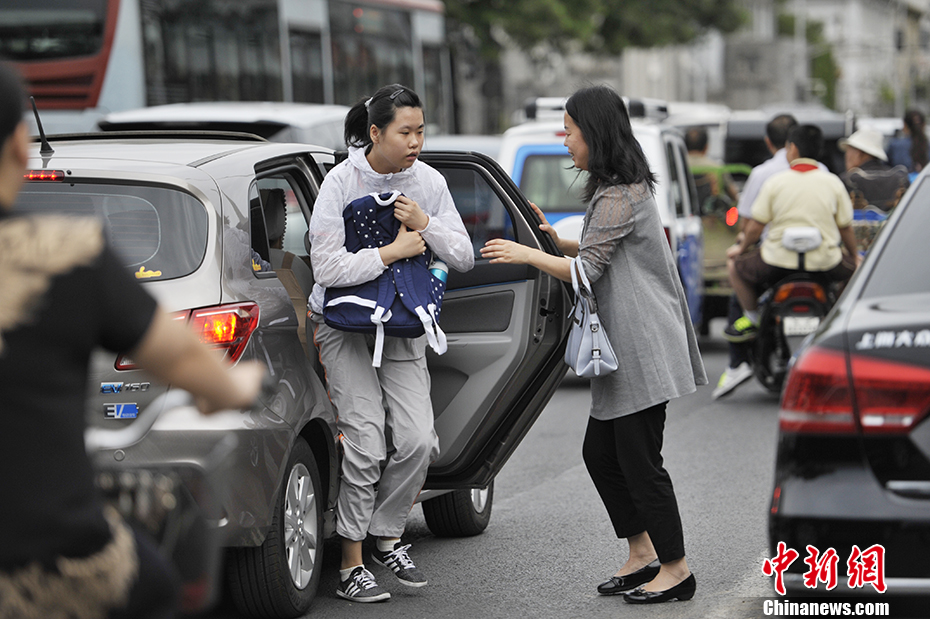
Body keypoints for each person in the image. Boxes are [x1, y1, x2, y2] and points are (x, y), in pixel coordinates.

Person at [0, 62, 266, 619]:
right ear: (20, 146)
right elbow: (182, 357)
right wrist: (232, 385)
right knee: (161, 586)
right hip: (48, 559)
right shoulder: (65, 255)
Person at [481, 85, 706, 605]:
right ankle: (642, 551)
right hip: (627, 345)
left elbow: (586, 271)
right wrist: (553, 238)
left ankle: (676, 568)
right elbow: (601, 246)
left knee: (640, 462)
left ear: (594, 133)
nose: (564, 141)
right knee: (601, 453)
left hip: (644, 346)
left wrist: (527, 254)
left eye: (569, 131)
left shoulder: (620, 193)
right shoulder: (617, 191)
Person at [308, 83, 474, 603]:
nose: (416, 141)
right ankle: (352, 562)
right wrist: (391, 251)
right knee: (365, 443)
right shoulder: (340, 181)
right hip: (343, 327)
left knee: (420, 439)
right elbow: (326, 266)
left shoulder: (428, 182)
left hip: (401, 326)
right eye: (406, 131)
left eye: (421, 130)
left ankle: (387, 535)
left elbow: (464, 255)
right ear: (375, 133)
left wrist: (425, 224)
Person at [724, 124, 859, 343]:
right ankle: (838, 317)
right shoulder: (833, 182)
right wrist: (854, 256)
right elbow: (845, 228)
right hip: (824, 263)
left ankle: (752, 317)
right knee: (856, 272)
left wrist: (741, 248)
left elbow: (756, 227)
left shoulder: (775, 183)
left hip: (776, 262)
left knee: (734, 267)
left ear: (793, 148)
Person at [712, 113, 797, 399]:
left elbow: (749, 224)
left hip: (772, 257)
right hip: (820, 259)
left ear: (768, 142)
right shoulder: (822, 171)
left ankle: (738, 360)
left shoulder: (763, 174)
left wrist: (741, 243)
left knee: (739, 281)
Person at [839, 127, 909, 212]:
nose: (846, 157)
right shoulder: (900, 178)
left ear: (857, 153)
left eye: (848, 151)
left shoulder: (847, 180)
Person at [685, 125, 739, 214]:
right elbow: (733, 195)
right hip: (712, 219)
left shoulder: (676, 167)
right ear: (706, 147)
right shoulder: (716, 168)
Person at [886, 108, 930, 178]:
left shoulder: (895, 146)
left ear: (904, 125)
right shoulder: (927, 146)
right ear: (924, 125)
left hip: (901, 187)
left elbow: (885, 169)